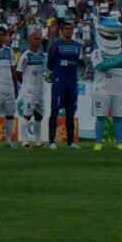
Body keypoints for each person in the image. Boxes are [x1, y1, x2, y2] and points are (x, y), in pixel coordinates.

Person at [90, 16, 122, 152]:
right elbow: (101, 66)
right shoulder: (97, 52)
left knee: (119, 117)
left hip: (119, 88)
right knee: (101, 116)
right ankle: (98, 142)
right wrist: (115, 62)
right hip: (102, 88)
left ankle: (119, 142)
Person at [47, 20, 82, 149]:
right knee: (55, 110)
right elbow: (50, 64)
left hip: (72, 82)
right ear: (61, 31)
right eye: (66, 29)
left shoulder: (77, 46)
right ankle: (52, 141)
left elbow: (78, 61)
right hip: (59, 82)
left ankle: (70, 141)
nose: (69, 31)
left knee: (70, 112)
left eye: (70, 29)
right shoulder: (56, 46)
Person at [16, 27, 48, 149]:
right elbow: (18, 72)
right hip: (29, 90)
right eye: (35, 39)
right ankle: (25, 142)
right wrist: (25, 85)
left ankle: (38, 142)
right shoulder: (25, 55)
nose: (38, 41)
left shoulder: (40, 55)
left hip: (40, 90)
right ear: (29, 40)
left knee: (39, 116)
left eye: (39, 39)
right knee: (27, 115)